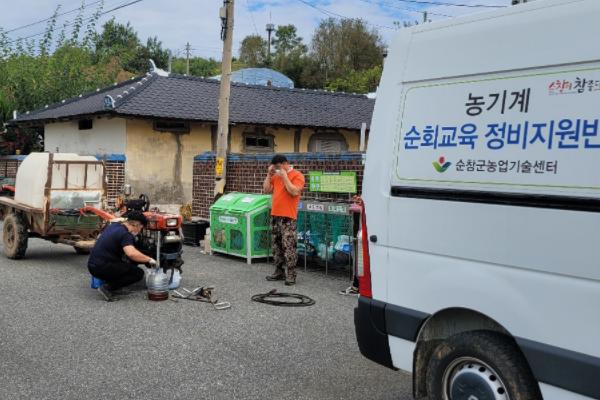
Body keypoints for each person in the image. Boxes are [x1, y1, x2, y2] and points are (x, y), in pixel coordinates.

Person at [88, 211, 157, 302]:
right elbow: (131, 253)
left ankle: (115, 286)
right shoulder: (125, 234)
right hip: (101, 267)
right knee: (138, 273)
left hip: (93, 265)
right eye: (141, 228)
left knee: (126, 264)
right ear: (136, 225)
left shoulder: (114, 226)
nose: (140, 231)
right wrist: (149, 259)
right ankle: (107, 287)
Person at [263, 154, 305, 285]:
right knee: (276, 245)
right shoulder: (275, 176)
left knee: (289, 245)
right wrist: (269, 175)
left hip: (288, 217)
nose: (277, 169)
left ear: (285, 163)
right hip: (275, 215)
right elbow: (266, 190)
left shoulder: (297, 175)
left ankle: (291, 274)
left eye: (278, 166)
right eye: (275, 167)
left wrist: (285, 176)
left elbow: (294, 191)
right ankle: (279, 271)